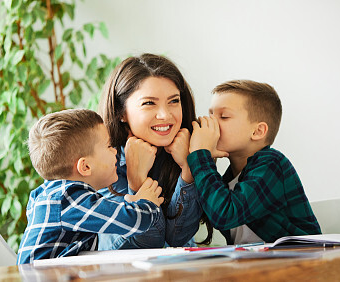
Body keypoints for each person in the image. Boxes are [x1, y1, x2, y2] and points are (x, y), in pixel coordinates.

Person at [17, 109, 163, 264]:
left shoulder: (48, 195)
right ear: (85, 166)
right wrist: (148, 202)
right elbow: (135, 222)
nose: (115, 151)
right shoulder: (68, 199)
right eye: (108, 146)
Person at [187, 80, 321, 245]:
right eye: (210, 114)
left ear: (258, 131)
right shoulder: (229, 177)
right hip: (256, 263)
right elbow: (205, 212)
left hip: (303, 261)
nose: (211, 123)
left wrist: (201, 156)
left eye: (223, 116)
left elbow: (224, 214)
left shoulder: (272, 164)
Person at [98, 53, 203, 249]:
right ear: (121, 112)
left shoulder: (189, 151)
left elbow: (178, 238)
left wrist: (189, 170)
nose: (165, 115)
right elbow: (148, 244)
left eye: (174, 101)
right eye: (149, 103)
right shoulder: (102, 162)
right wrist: (136, 183)